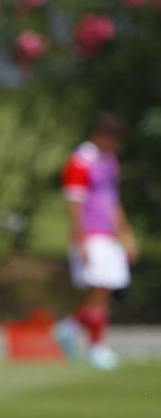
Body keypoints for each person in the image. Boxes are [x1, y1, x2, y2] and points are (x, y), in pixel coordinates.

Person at [54, 114, 138, 370]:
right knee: (98, 292)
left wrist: (126, 234)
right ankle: (97, 347)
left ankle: (69, 329)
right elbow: (74, 205)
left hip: (108, 234)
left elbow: (112, 201)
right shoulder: (80, 163)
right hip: (90, 234)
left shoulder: (109, 162)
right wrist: (81, 240)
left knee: (106, 292)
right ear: (101, 136)